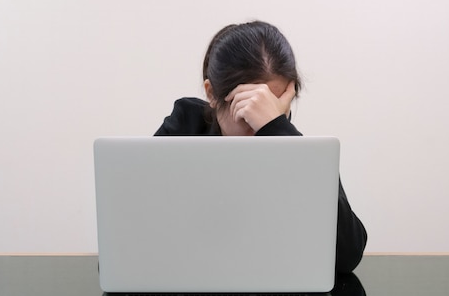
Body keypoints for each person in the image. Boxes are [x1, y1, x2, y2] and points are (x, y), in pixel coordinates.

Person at [155, 21, 367, 273]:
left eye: (270, 108)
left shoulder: (294, 148)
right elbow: (130, 247)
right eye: (246, 110)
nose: (258, 126)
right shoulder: (186, 124)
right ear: (211, 94)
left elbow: (346, 256)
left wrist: (277, 129)